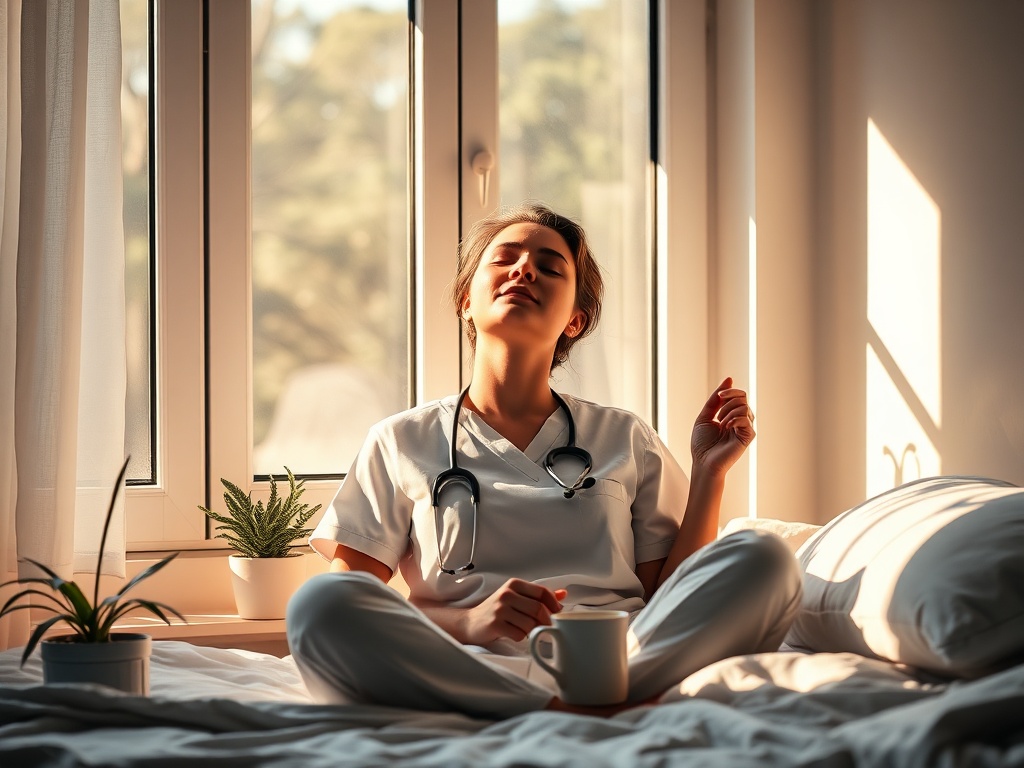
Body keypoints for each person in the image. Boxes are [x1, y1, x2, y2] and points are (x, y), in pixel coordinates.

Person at [286, 203, 802, 719]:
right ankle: (577, 709)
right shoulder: (400, 439)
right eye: (505, 258)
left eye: (550, 267)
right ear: (467, 300)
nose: (524, 269)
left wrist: (709, 474)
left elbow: (668, 593)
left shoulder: (624, 436)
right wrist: (469, 623)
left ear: (575, 320)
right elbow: (354, 590)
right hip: (465, 663)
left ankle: (588, 698)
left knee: (765, 558)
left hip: (620, 659)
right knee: (321, 602)